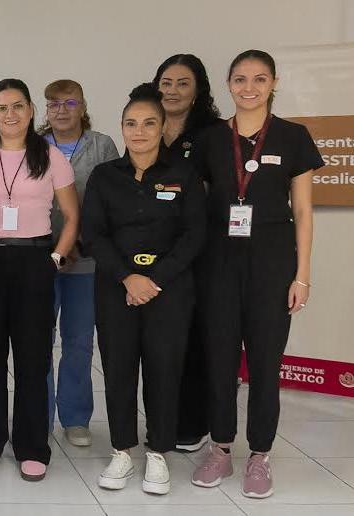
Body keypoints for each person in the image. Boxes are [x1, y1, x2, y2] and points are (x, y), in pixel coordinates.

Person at [191, 50, 320, 499]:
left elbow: (303, 211)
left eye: (259, 79)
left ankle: (260, 455)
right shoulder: (210, 139)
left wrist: (302, 275)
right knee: (219, 360)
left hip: (272, 263)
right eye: (240, 79)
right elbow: (195, 206)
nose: (249, 88)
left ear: (274, 83)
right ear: (229, 84)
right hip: (218, 263)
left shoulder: (293, 136)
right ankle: (221, 448)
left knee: (266, 362)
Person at [82, 84, 206, 495]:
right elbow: (93, 234)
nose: (139, 131)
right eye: (131, 123)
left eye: (149, 123)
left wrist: (155, 280)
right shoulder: (105, 176)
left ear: (162, 127)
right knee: (118, 368)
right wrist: (128, 277)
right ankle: (121, 450)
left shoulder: (184, 174)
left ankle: (158, 452)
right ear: (122, 128)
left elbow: (194, 234)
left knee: (164, 369)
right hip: (116, 287)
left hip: (169, 289)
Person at [0, 79, 78, 482]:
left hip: (34, 260)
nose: (10, 114)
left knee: (33, 356)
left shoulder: (51, 156)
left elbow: (71, 215)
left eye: (18, 106)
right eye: (2, 107)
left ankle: (32, 445)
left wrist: (56, 257)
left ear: (30, 110)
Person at [37, 79, 120, 448]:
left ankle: (75, 418)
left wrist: (77, 244)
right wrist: (55, 247)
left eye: (70, 103)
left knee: (79, 341)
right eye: (54, 103)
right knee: (38, 340)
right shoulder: (33, 145)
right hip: (40, 258)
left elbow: (111, 202)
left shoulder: (102, 146)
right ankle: (39, 416)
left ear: (83, 107)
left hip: (85, 260)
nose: (61, 110)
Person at [152, 54, 224, 453]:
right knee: (160, 341)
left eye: (183, 83)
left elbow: (219, 191)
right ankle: (162, 419)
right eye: (166, 82)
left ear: (198, 90)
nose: (173, 90)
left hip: (199, 251)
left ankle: (193, 423)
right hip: (152, 250)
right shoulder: (148, 126)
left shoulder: (212, 134)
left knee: (195, 337)